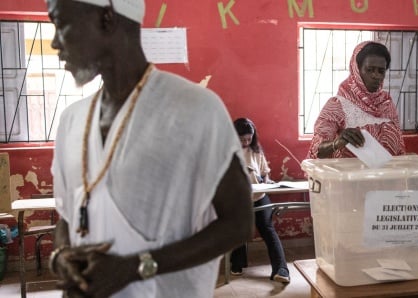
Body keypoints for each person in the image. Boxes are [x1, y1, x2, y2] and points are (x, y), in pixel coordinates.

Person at [47, 0, 253, 297]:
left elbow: (239, 222)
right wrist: (62, 256)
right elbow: (68, 216)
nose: (54, 42)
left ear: (107, 18)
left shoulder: (195, 108)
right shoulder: (71, 120)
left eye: (60, 23)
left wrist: (135, 267)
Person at [307, 41, 406, 159]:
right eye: (370, 70)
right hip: (350, 176)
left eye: (381, 71)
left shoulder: (386, 103)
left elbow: (398, 146)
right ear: (357, 70)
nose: (376, 76)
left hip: (386, 175)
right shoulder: (338, 105)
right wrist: (337, 143)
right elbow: (317, 151)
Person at [229, 118, 291, 284]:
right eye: (242, 139)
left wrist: (266, 180)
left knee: (268, 229)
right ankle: (237, 263)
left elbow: (265, 173)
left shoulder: (256, 150)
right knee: (240, 230)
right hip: (239, 198)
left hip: (259, 195)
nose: (246, 142)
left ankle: (281, 269)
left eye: (249, 139)